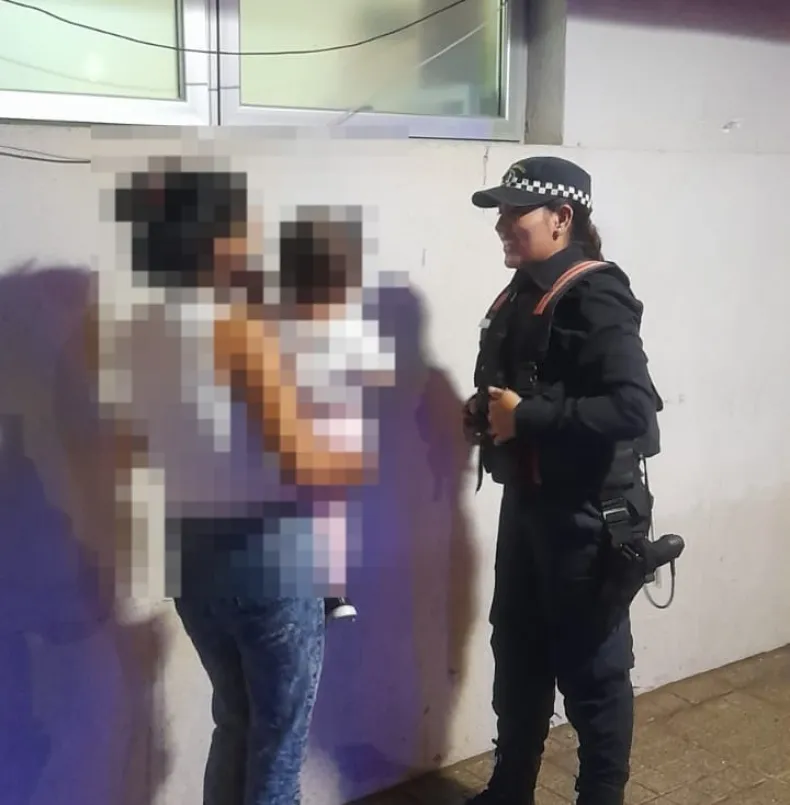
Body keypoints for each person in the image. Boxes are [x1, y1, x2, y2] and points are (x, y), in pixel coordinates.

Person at [107, 165, 382, 805]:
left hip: (191, 563)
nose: (257, 232)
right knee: (279, 748)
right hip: (270, 565)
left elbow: (137, 453)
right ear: (217, 237)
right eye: (245, 220)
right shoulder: (238, 330)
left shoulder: (137, 331)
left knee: (234, 721)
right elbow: (306, 461)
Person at [463, 156, 662, 805]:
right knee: (517, 652)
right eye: (501, 212)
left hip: (587, 517)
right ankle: (509, 790)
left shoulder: (595, 293)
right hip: (528, 506)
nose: (502, 225)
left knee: (593, 674)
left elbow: (633, 408)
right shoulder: (521, 291)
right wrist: (486, 413)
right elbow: (526, 385)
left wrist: (527, 417)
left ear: (562, 217)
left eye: (515, 212)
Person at [276, 207, 396, 622]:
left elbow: (378, 377)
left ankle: (329, 589)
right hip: (294, 438)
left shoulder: (350, 325)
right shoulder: (277, 324)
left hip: (334, 437)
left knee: (327, 512)